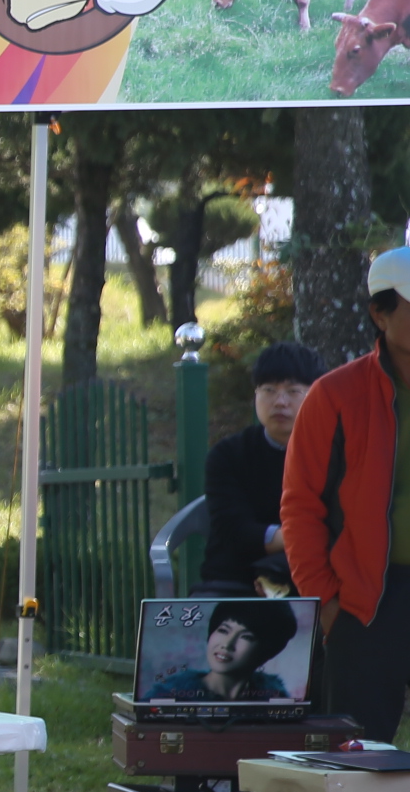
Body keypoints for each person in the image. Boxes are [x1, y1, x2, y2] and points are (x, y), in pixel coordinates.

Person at [281, 246, 410, 742]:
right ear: (380, 313)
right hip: (365, 601)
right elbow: (300, 504)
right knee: (357, 760)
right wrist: (328, 603)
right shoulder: (335, 396)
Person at [200, 341, 323, 595]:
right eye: (268, 390)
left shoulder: (336, 453)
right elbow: (234, 531)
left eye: (292, 391)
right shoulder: (228, 455)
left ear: (316, 395)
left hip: (316, 580)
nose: (280, 402)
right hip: (235, 580)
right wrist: (303, 537)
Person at [145, 598, 299, 701]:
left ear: (267, 650)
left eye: (246, 637)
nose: (227, 644)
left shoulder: (275, 699)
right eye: (223, 630)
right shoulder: (169, 696)